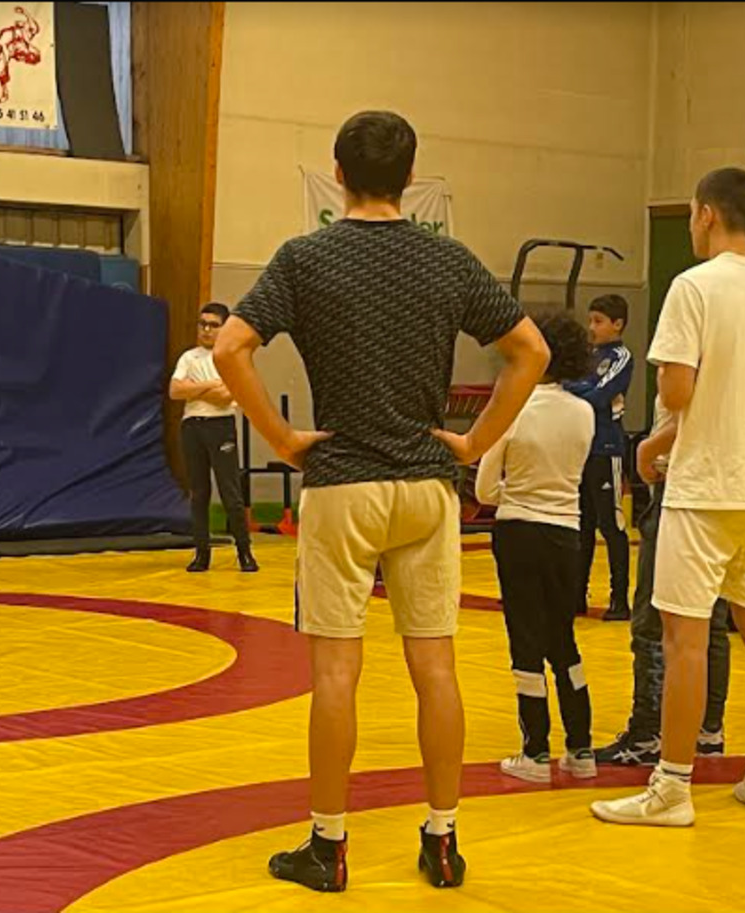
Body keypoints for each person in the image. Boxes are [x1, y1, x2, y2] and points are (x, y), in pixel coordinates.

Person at [215, 110, 549, 891]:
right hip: (427, 485)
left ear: (338, 173)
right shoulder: (447, 258)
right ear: (411, 176)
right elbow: (530, 350)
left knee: (337, 672)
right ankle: (443, 837)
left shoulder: (304, 257)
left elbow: (230, 346)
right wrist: (475, 441)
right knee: (435, 667)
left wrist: (282, 437)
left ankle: (328, 844)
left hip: (342, 483)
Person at [591, 167, 745, 827]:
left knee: (684, 640)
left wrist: (654, 444)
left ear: (708, 213)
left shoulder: (693, 287)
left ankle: (672, 788)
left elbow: (678, 391)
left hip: (703, 488)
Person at [476, 311, 597, 784]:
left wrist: (518, 493)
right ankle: (581, 749)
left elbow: (485, 489)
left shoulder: (513, 408)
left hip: (518, 532)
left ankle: (535, 752)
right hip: (567, 533)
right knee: (563, 639)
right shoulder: (584, 412)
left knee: (525, 640)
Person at [594, 396, 731, 767]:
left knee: (653, 621)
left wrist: (647, 449)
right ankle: (707, 729)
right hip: (725, 488)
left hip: (682, 486)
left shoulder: (695, 367)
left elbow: (694, 406)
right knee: (711, 622)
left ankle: (649, 730)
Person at [169, 302, 257, 573]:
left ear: (224, 328)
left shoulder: (232, 358)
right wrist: (209, 386)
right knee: (198, 492)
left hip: (220, 426)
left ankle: (244, 552)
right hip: (192, 426)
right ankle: (201, 553)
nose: (206, 330)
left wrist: (194, 388)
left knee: (230, 492)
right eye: (202, 324)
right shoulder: (189, 358)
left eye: (213, 325)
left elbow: (226, 396)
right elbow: (175, 391)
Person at [566, 295, 633, 621]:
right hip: (582, 449)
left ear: (617, 324)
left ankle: (619, 599)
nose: (591, 327)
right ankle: (576, 595)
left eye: (598, 321)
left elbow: (599, 395)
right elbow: (566, 386)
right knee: (582, 526)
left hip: (607, 450)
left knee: (612, 525)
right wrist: (581, 388)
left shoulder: (621, 357)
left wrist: (579, 389)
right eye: (590, 320)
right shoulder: (588, 355)